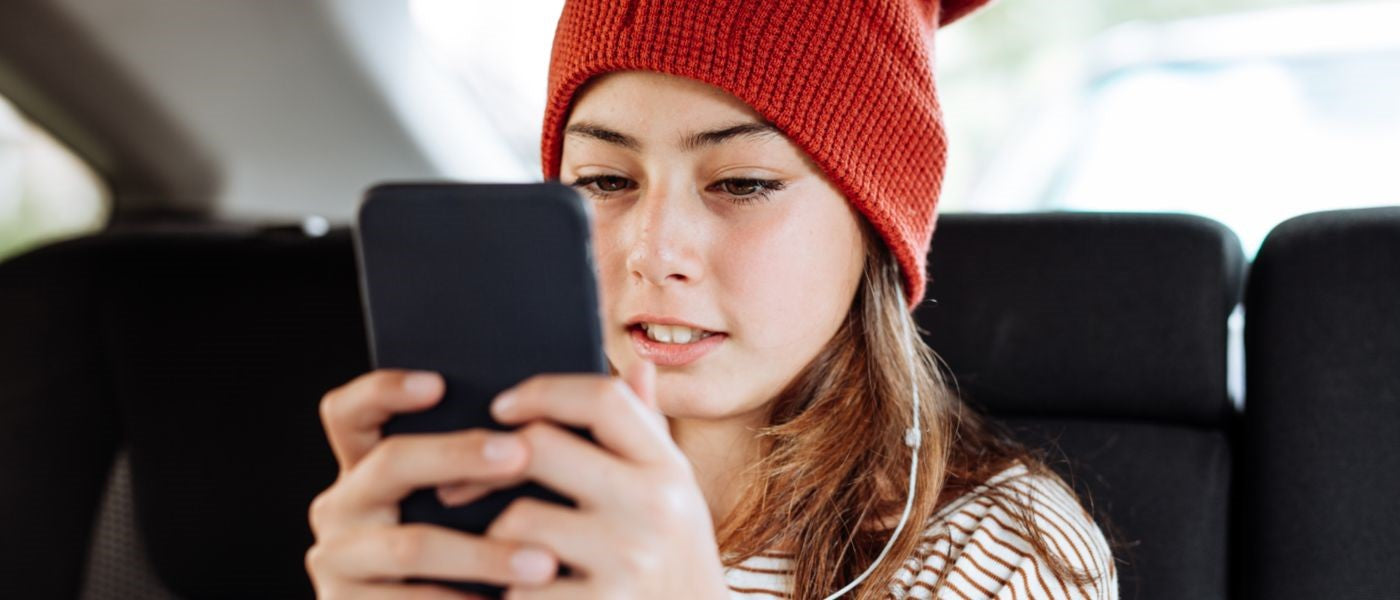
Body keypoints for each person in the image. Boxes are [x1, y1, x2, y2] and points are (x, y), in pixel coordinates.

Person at [305, 0, 1117, 598]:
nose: (653, 251)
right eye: (605, 181)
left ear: (875, 226)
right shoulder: (490, 504)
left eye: (742, 183)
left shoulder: (1001, 554)